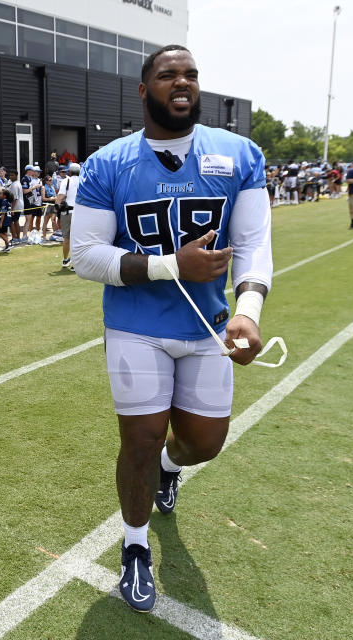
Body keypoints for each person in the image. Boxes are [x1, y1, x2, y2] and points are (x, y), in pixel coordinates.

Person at [71, 45, 273, 613]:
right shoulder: (108, 162)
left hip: (208, 324)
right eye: (167, 75)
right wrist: (167, 267)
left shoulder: (238, 154)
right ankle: (135, 547)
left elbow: (255, 244)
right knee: (138, 440)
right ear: (144, 90)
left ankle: (169, 469)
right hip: (136, 325)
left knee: (204, 444)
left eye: (190, 74)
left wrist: (248, 311)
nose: (181, 82)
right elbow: (84, 255)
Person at [54, 163, 80, 269]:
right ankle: (74, 264)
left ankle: (65, 260)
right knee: (77, 238)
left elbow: (60, 196)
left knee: (67, 238)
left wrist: (55, 211)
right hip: (79, 213)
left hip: (67, 213)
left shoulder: (66, 181)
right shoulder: (84, 181)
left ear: (70, 171)